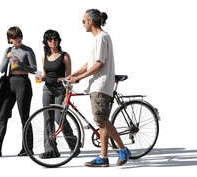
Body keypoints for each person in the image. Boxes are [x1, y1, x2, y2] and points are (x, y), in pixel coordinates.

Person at [66, 9, 130, 167]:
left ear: (91, 21)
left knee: (101, 120)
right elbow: (90, 63)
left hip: (101, 84)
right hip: (97, 85)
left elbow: (99, 64)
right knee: (102, 122)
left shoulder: (102, 38)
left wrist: (79, 78)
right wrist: (73, 74)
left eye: (83, 21)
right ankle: (104, 156)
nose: (83, 24)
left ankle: (122, 149)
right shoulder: (97, 39)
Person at [0, 26, 36, 157]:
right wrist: (7, 58)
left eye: (19, 36)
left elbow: (34, 69)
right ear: (10, 39)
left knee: (24, 116)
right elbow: (1, 69)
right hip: (9, 83)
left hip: (23, 83)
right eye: (14, 37)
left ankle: (27, 149)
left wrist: (21, 64)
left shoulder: (28, 50)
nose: (18, 39)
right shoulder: (8, 50)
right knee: (2, 116)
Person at [37, 29, 80, 159]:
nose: (53, 41)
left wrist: (67, 93)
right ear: (46, 41)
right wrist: (38, 77)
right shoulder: (45, 56)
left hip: (61, 89)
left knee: (58, 117)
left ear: (58, 40)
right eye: (50, 39)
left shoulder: (65, 56)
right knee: (47, 119)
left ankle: (74, 145)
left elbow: (69, 77)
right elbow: (44, 75)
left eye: (55, 39)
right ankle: (51, 150)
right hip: (47, 89)